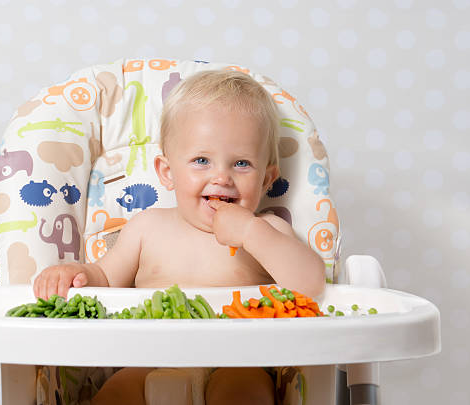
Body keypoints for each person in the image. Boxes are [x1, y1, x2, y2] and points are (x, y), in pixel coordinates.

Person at [33, 69, 325, 405]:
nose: (221, 177)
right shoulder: (146, 228)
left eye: (241, 163)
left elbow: (311, 283)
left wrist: (250, 231)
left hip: (240, 362)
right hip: (146, 362)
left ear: (266, 179)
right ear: (168, 173)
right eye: (201, 160)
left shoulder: (268, 231)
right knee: (116, 394)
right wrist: (76, 274)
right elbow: (105, 279)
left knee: (245, 394)